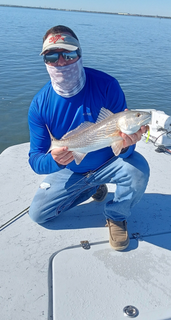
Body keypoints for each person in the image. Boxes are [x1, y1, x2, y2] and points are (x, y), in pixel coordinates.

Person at [28, 25, 150, 251]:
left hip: (107, 164)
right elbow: (35, 160)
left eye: (69, 54)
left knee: (138, 170)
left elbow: (123, 147)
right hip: (71, 168)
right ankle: (91, 188)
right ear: (44, 61)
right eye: (52, 56)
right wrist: (54, 160)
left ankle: (116, 215)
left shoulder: (107, 85)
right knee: (38, 215)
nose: (61, 62)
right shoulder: (39, 105)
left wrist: (126, 147)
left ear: (80, 54)